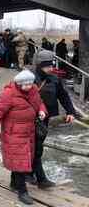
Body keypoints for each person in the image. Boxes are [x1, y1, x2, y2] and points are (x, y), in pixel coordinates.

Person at [0, 70, 47, 205]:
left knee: (21, 160)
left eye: (30, 84)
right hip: (13, 134)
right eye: (25, 84)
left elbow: (40, 103)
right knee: (20, 161)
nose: (28, 87)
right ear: (18, 83)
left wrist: (42, 111)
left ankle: (14, 183)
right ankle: (22, 192)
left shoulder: (33, 90)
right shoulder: (8, 94)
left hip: (29, 133)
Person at [31, 50, 75, 187]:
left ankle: (29, 174)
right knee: (35, 149)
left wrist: (70, 111)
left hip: (46, 120)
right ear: (39, 65)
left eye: (51, 66)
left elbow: (63, 96)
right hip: (31, 119)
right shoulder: (30, 78)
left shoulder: (54, 79)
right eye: (47, 66)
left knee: (36, 148)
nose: (50, 69)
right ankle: (40, 179)